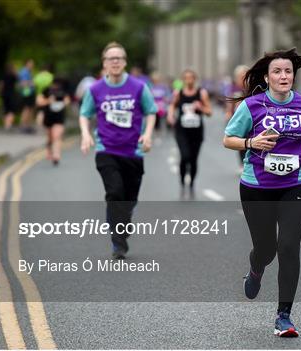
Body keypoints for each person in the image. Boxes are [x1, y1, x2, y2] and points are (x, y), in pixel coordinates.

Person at [223, 48, 301, 337]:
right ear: (267, 78)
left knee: (289, 247)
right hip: (257, 187)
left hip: (295, 184)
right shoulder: (252, 106)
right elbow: (228, 139)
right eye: (277, 72)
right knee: (266, 249)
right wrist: (251, 142)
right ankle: (256, 269)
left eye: (288, 71)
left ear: (294, 76)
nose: (283, 76)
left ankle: (284, 316)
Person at [79, 42, 156, 259]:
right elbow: (84, 114)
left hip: (133, 151)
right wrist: (85, 134)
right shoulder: (94, 89)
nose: (115, 61)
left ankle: (125, 218)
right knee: (114, 193)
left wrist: (148, 134)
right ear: (104, 63)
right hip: (106, 149)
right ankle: (117, 241)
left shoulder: (138, 87)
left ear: (124, 62)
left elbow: (151, 112)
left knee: (129, 198)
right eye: (110, 58)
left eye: (119, 58)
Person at [167, 69, 212, 199]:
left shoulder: (201, 93)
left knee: (193, 159)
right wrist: (170, 115)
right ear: (183, 80)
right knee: (185, 156)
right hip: (182, 130)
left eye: (191, 78)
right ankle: (182, 182)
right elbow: (172, 106)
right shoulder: (178, 93)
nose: (189, 80)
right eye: (186, 78)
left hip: (196, 131)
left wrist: (201, 108)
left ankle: (191, 182)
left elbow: (209, 112)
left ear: (195, 79)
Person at [36, 78, 70, 165]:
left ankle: (56, 155)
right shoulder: (46, 90)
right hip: (48, 117)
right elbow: (39, 102)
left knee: (57, 136)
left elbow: (67, 100)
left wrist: (64, 103)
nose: (55, 87)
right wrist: (48, 101)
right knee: (50, 137)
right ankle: (49, 150)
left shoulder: (63, 91)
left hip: (59, 117)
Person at [224, 65, 249, 171]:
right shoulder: (234, 89)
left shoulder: (253, 89)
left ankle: (248, 160)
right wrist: (228, 112)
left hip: (250, 118)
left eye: (244, 76)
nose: (242, 79)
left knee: (250, 139)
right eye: (240, 77)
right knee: (240, 140)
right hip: (238, 118)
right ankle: (242, 162)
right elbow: (230, 103)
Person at [18, 59, 36, 133]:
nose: (32, 65)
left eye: (32, 63)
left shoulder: (28, 72)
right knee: (26, 109)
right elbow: (23, 83)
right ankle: (23, 126)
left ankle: (27, 126)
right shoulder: (24, 72)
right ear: (26, 64)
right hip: (27, 93)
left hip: (29, 93)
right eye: (31, 63)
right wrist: (32, 83)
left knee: (29, 109)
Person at [0, 63, 18, 131]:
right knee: (12, 110)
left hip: (4, 94)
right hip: (11, 94)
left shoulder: (4, 75)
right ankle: (8, 124)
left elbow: (1, 84)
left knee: (6, 109)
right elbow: (17, 83)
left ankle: (5, 124)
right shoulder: (13, 75)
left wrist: (0, 92)